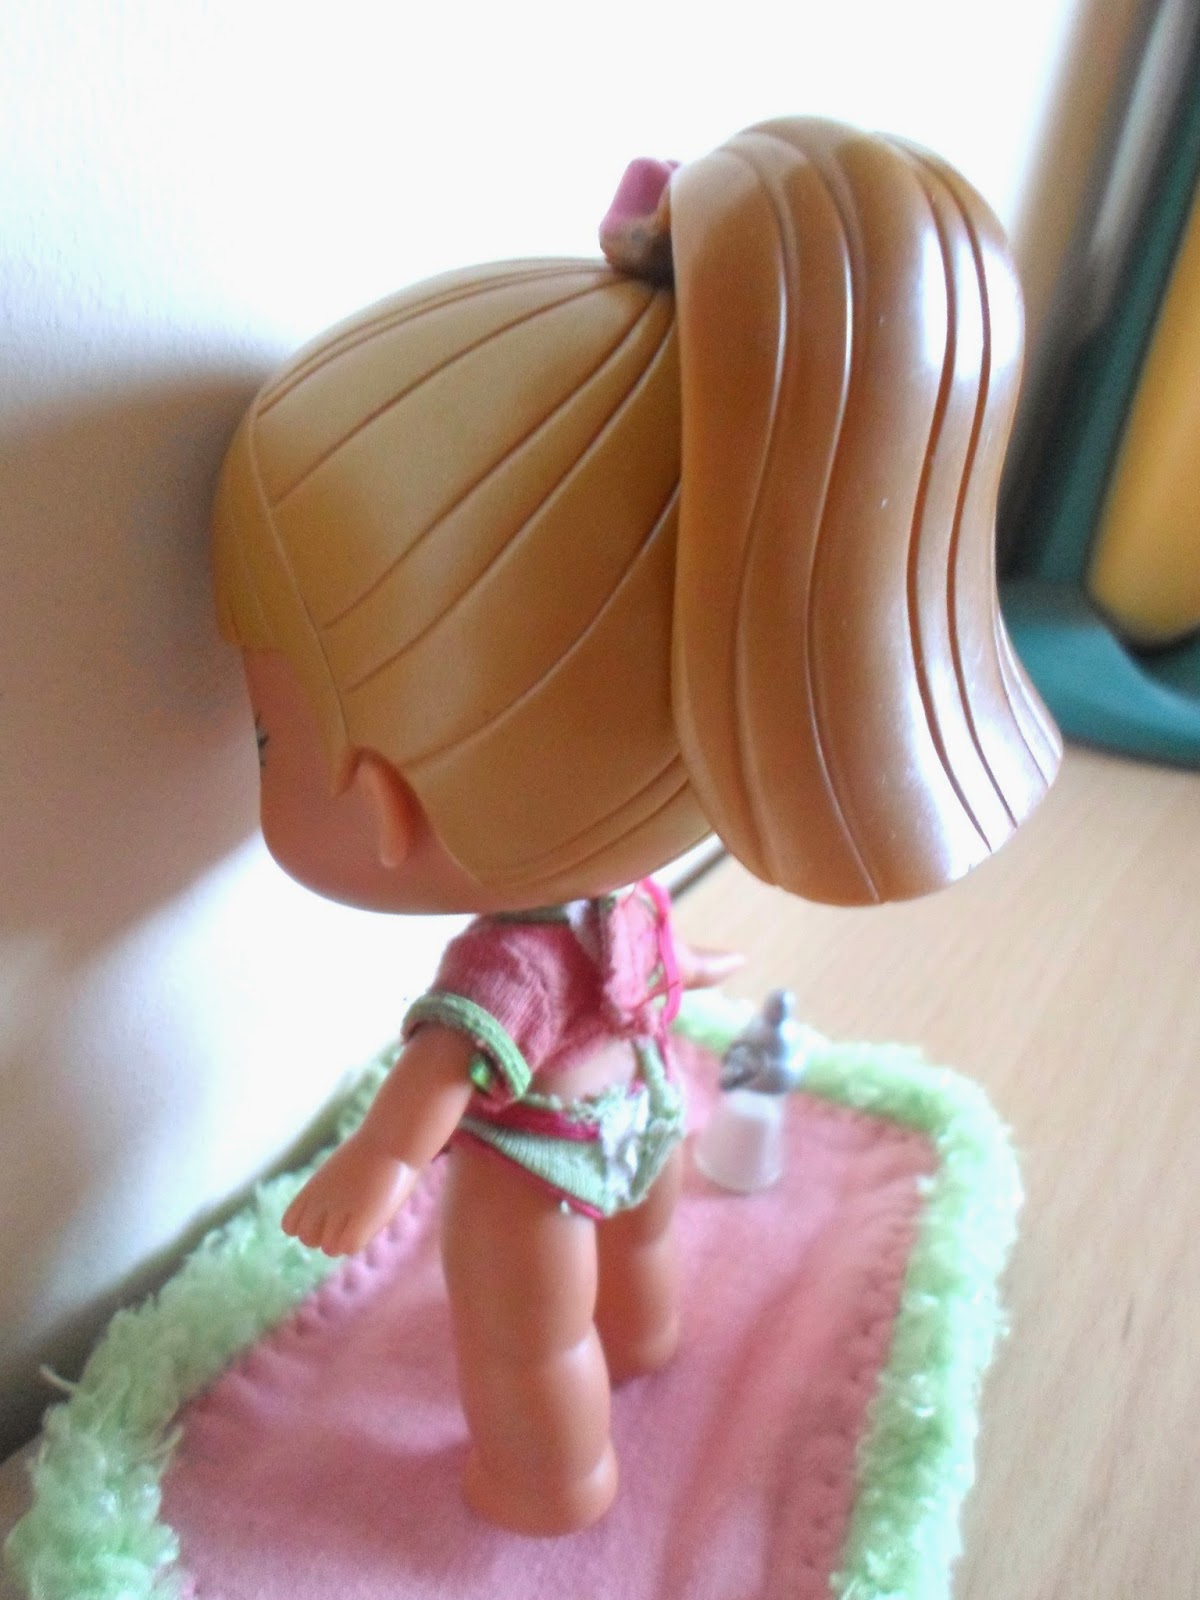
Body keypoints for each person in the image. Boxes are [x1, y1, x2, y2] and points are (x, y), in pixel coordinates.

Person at [211, 116, 1059, 1535]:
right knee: (640, 1251)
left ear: (386, 798)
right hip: (650, 1106)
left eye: (267, 730)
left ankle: (547, 1477)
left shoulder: (510, 957)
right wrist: (684, 973)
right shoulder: (621, 888)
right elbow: (651, 951)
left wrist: (377, 1164)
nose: (262, 752)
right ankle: (648, 1334)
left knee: (522, 1339)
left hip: (535, 1165)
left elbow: (445, 1069)